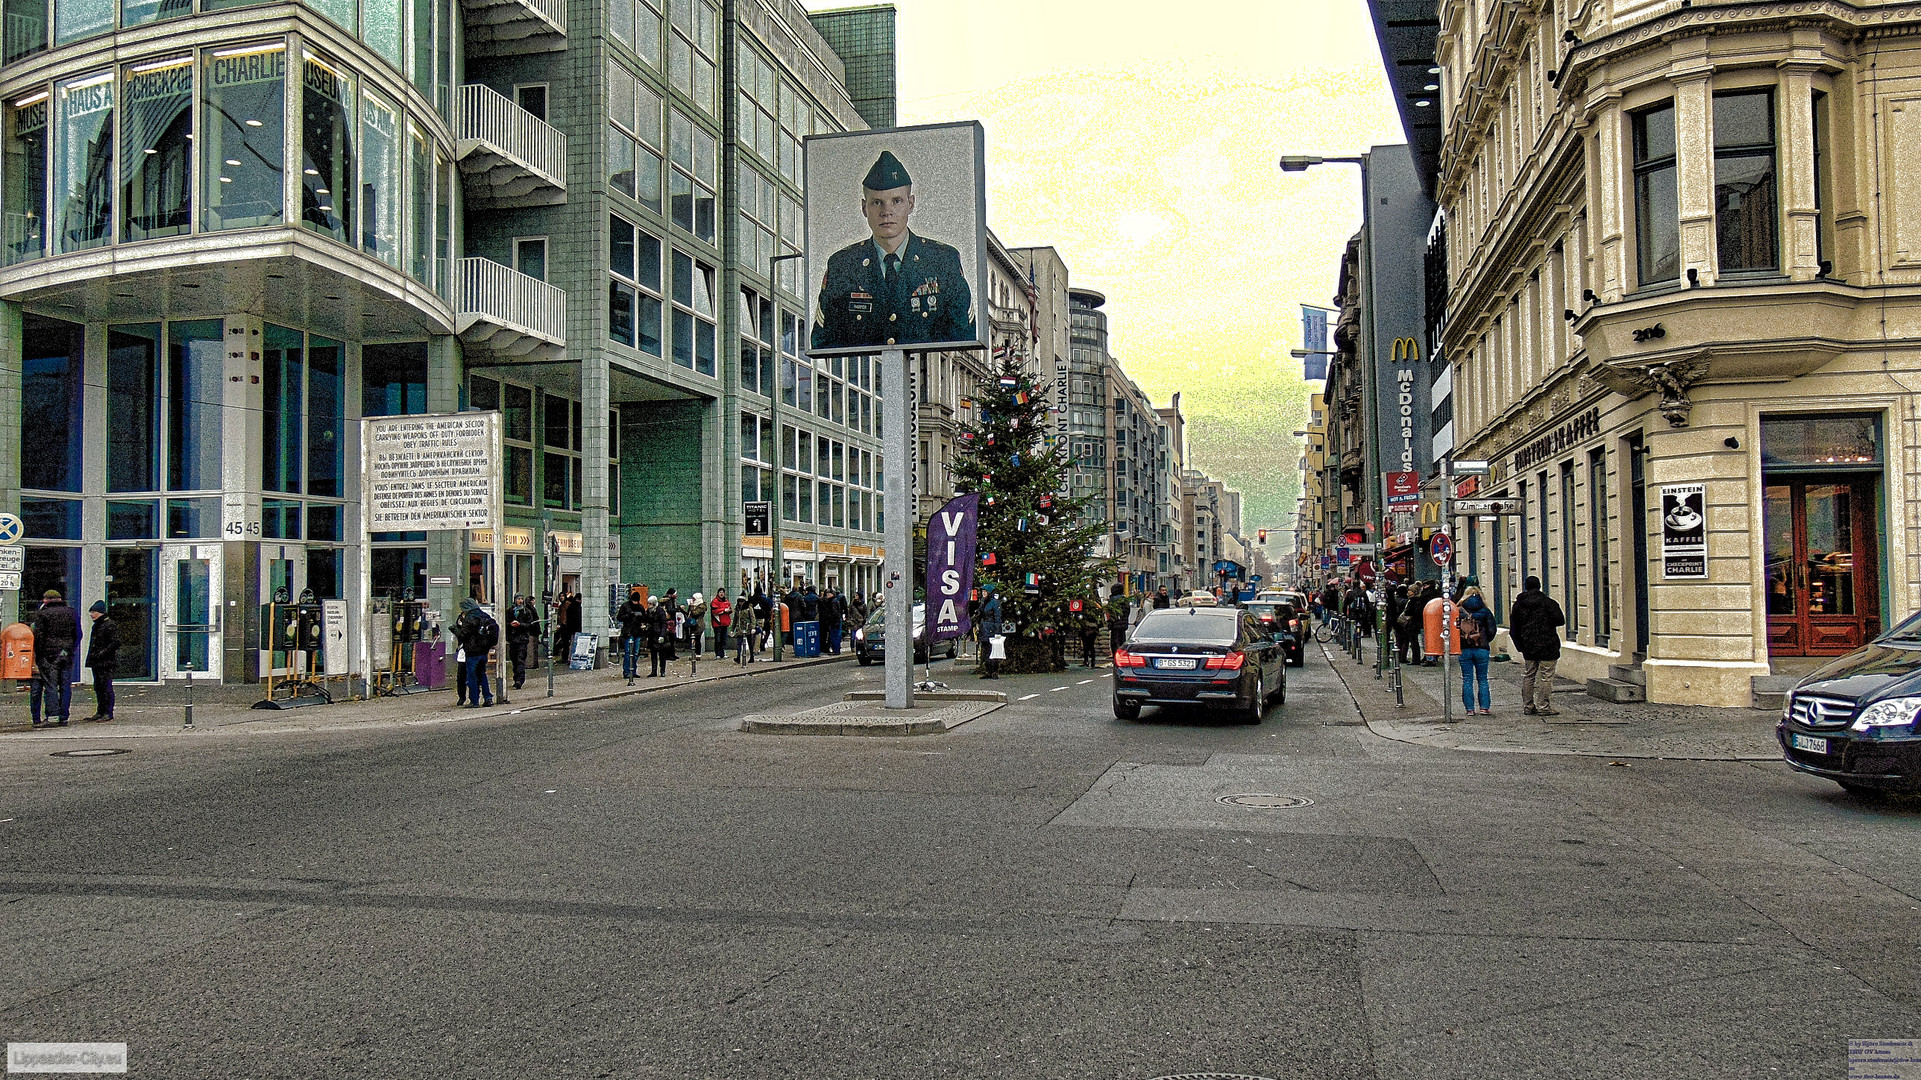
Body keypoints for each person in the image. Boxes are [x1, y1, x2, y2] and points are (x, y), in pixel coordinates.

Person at [811, 150, 976, 350]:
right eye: (877, 202)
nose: (886, 211)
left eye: (896, 201)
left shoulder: (942, 260)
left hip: (925, 377)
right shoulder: (843, 265)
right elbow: (824, 341)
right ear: (864, 208)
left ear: (911, 204)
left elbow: (964, 335)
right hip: (866, 379)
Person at [1508, 575, 1567, 717]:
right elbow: (1560, 620)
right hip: (1548, 645)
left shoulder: (1518, 605)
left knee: (1529, 675)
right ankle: (1543, 706)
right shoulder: (1548, 603)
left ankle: (1528, 706)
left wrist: (1520, 646)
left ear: (1525, 587)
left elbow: (1513, 629)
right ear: (1539, 586)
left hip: (1528, 645)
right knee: (1546, 676)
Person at [29, 589, 80, 728]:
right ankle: (64, 717)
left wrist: (40, 655)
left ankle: (52, 716)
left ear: (46, 600)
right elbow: (78, 633)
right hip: (67, 654)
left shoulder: (42, 614)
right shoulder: (72, 612)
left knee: (50, 686)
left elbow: (39, 637)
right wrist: (70, 648)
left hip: (49, 655)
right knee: (65, 686)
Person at [1455, 585, 1497, 716]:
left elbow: (1454, 630)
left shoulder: (1459, 610)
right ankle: (1484, 707)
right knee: (1483, 678)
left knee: (1467, 678)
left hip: (1464, 649)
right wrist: (1484, 640)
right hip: (1481, 648)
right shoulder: (1485, 611)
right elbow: (1492, 631)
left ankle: (1470, 709)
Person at [454, 598, 497, 708]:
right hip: (484, 651)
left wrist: (455, 630)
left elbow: (464, 634)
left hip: (472, 652)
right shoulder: (484, 615)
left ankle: (474, 700)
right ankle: (488, 698)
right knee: (482, 674)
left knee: (472, 676)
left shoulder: (469, 617)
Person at [82, 600, 117, 723]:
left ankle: (107, 712)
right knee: (98, 686)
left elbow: (115, 643)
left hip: (105, 661)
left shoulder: (109, 625)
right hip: (97, 660)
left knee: (105, 686)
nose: (91, 614)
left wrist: (102, 653)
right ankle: (100, 711)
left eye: (94, 612)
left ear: (101, 612)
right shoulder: (97, 625)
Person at [505, 594, 540, 690]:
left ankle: (520, 680)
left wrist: (520, 625)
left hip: (522, 639)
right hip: (513, 639)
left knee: (520, 659)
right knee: (514, 659)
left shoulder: (526, 611)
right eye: (518, 599)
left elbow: (530, 624)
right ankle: (516, 677)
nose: (520, 601)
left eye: (521, 599)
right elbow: (505, 622)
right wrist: (510, 625)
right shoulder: (510, 611)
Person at [617, 589, 649, 679]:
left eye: (636, 601)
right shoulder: (625, 606)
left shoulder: (640, 607)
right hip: (628, 632)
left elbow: (644, 618)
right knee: (628, 653)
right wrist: (628, 616)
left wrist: (642, 618)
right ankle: (627, 671)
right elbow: (619, 617)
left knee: (635, 653)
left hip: (637, 632)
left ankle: (633, 670)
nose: (635, 603)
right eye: (634, 601)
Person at [978, 587, 1004, 679]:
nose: (983, 593)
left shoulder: (994, 602)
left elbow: (998, 617)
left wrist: (997, 631)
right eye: (982, 591)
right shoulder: (983, 602)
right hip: (984, 628)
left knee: (992, 650)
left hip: (991, 628)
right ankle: (988, 670)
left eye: (985, 591)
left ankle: (994, 671)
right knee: (985, 650)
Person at [647, 596, 675, 677]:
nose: (649, 605)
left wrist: (662, 635)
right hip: (652, 635)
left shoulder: (660, 611)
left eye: (650, 604)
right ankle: (654, 671)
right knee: (653, 654)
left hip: (659, 634)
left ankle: (662, 671)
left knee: (662, 654)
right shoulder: (649, 611)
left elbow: (664, 624)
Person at [733, 592, 759, 665]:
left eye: (741, 601)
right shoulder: (737, 608)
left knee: (750, 643)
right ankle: (738, 657)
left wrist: (753, 627)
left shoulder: (748, 607)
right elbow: (735, 619)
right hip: (739, 628)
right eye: (739, 601)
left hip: (747, 628)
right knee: (739, 644)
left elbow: (752, 617)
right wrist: (732, 629)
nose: (740, 603)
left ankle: (752, 657)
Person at [710, 590, 732, 659]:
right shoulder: (715, 601)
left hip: (725, 623)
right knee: (718, 639)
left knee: (724, 639)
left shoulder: (726, 601)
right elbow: (714, 611)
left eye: (722, 592)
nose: (721, 594)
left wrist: (728, 610)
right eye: (720, 592)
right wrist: (724, 610)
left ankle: (723, 652)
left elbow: (730, 609)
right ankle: (718, 654)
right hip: (718, 623)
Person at [685, 592, 708, 659]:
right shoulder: (694, 605)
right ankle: (693, 653)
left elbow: (695, 613)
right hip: (692, 624)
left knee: (697, 639)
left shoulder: (702, 606)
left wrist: (692, 606)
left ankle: (698, 654)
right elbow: (689, 613)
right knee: (692, 639)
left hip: (698, 624)